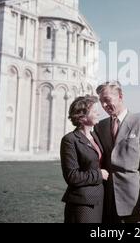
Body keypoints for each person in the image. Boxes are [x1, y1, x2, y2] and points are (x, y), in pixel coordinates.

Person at [95, 81, 140, 223]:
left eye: (107, 100)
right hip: (108, 201)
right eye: (101, 102)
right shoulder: (100, 126)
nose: (104, 106)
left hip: (134, 202)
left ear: (120, 96)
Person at [60, 95, 109, 223]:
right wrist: (99, 174)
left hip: (100, 201)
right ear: (82, 116)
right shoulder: (70, 140)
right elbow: (72, 176)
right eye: (94, 111)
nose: (98, 113)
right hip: (82, 203)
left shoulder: (95, 136)